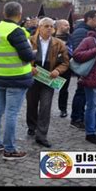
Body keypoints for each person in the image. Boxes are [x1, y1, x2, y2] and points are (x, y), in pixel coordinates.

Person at [0, 1, 35, 160]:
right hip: (17, 77)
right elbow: (27, 56)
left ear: (4, 13)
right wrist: (34, 53)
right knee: (11, 113)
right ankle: (10, 149)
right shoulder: (16, 31)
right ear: (19, 15)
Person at [26, 18, 69, 148]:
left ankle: (42, 135)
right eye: (46, 26)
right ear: (39, 27)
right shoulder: (29, 41)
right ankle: (32, 126)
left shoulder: (59, 43)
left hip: (48, 78)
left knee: (46, 106)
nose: (49, 28)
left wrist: (58, 70)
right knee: (31, 104)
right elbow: (21, 58)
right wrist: (29, 67)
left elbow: (65, 62)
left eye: (51, 26)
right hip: (33, 77)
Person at [69, 10, 96, 129]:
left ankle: (80, 117)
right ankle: (76, 118)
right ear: (89, 18)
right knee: (81, 93)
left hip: (91, 68)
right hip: (85, 68)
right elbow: (78, 52)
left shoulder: (90, 31)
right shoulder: (81, 31)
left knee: (84, 93)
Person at [53, 19, 73, 118]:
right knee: (47, 88)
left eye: (68, 25)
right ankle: (44, 107)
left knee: (64, 89)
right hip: (51, 66)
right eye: (66, 25)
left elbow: (73, 51)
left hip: (66, 67)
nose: (68, 26)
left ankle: (63, 109)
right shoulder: (51, 37)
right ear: (59, 26)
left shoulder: (71, 38)